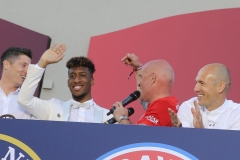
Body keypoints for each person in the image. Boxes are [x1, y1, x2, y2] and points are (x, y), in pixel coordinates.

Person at [18, 44, 111, 122]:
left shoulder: (107, 116)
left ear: (92, 81)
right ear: (68, 82)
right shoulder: (53, 107)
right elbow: (24, 100)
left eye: (82, 75)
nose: (76, 80)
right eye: (72, 76)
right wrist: (42, 63)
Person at [168, 63, 240, 130]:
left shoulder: (237, 114)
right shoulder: (189, 107)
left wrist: (200, 131)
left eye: (202, 83)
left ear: (220, 87)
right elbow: (183, 142)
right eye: (196, 82)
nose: (195, 89)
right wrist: (178, 131)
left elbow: (230, 143)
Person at [112, 53, 178, 125]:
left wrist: (122, 117)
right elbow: (143, 97)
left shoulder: (163, 107)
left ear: (152, 79)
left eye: (142, 77)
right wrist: (138, 69)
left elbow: (139, 134)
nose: (139, 83)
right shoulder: (164, 105)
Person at [0, 47, 35, 119]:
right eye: (23, 65)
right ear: (6, 64)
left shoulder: (30, 103)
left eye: (29, 68)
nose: (27, 71)